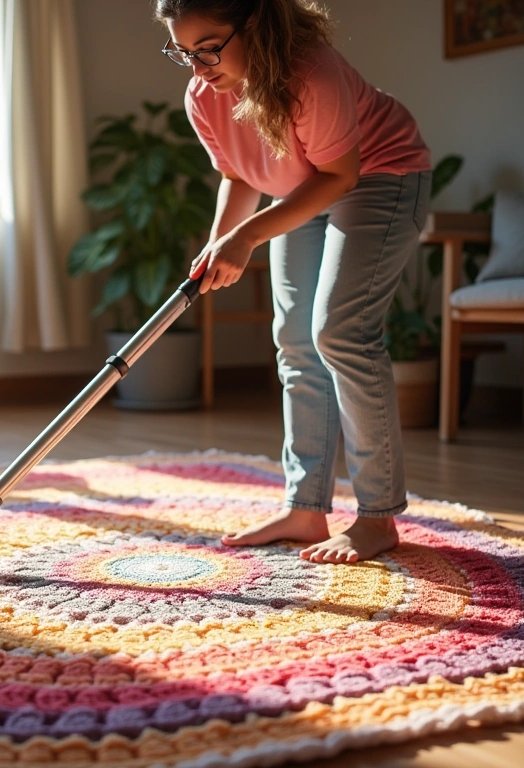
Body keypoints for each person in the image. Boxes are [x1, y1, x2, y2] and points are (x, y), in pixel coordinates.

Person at [154, 0, 432, 564]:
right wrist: (219, 241)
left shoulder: (311, 73)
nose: (198, 65)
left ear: (254, 22)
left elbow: (342, 174)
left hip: (380, 174)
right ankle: (307, 509)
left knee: (341, 332)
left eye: (209, 47)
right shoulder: (204, 96)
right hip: (305, 185)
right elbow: (237, 172)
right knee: (296, 340)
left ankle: (377, 517)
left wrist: (248, 238)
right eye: (184, 52)